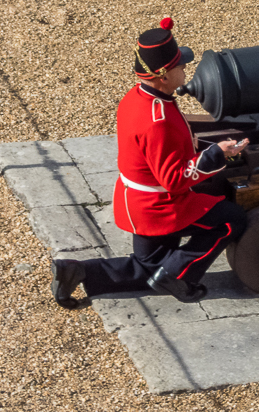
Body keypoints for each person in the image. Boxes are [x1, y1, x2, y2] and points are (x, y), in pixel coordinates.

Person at [51, 17, 249, 307]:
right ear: (163, 75)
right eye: (180, 65)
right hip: (159, 207)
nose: (185, 68)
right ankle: (178, 276)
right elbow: (174, 179)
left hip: (137, 202)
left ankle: (77, 271)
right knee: (233, 219)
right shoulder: (159, 120)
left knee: (148, 269)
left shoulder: (136, 98)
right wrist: (217, 154)